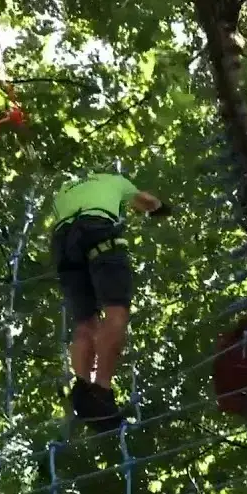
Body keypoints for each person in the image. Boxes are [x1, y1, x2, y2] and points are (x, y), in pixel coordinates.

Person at [50, 171, 172, 427]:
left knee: (85, 323)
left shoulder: (64, 190)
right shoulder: (115, 180)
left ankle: (82, 386)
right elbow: (146, 201)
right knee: (116, 311)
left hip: (63, 243)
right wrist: (161, 208)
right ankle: (102, 390)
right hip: (99, 232)